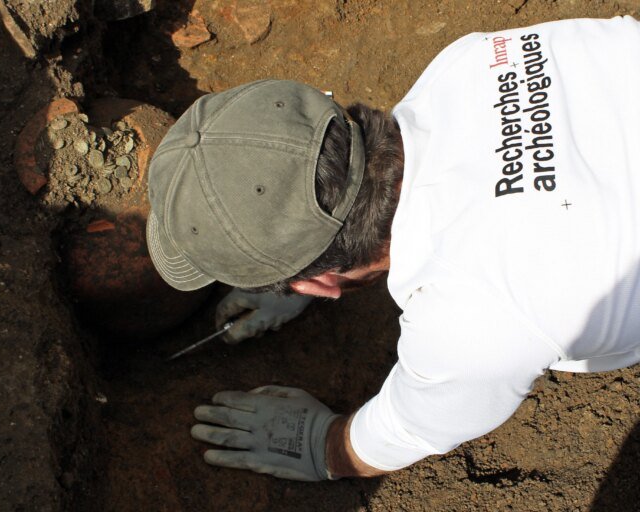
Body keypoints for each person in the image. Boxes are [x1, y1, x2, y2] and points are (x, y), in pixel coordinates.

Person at [146, 15, 640, 481]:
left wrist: (323, 445)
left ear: (319, 283)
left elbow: (406, 428)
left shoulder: (471, 322)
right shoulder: (467, 62)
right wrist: (300, 259)